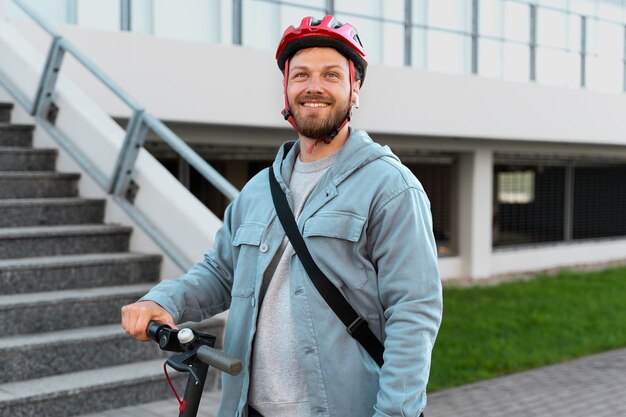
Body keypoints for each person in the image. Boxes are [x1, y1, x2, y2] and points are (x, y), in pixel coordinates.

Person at [122, 15, 442, 417]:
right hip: (247, 408)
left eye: (331, 75)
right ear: (287, 89)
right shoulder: (259, 190)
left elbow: (413, 313)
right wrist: (163, 299)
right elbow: (222, 273)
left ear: (354, 89)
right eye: (301, 75)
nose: (314, 87)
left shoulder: (390, 187)